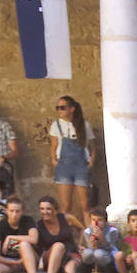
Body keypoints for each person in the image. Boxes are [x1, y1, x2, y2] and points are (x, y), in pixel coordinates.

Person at [48, 96, 95, 226]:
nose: (59, 111)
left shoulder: (84, 125)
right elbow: (53, 146)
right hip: (64, 167)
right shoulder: (56, 125)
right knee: (65, 206)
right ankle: (67, 237)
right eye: (57, 108)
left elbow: (92, 147)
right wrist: (54, 161)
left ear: (72, 109)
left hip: (81, 167)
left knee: (86, 205)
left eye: (62, 108)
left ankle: (90, 237)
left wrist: (90, 164)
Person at [34, 195, 84, 273]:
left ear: (55, 210)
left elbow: (82, 228)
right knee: (58, 246)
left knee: (72, 263)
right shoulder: (38, 225)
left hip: (70, 253)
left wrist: (80, 244)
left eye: (48, 209)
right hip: (51, 258)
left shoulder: (66, 218)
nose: (45, 212)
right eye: (42, 209)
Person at [80, 205, 126, 273]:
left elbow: (113, 247)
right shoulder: (87, 231)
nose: (96, 223)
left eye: (100, 220)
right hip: (94, 257)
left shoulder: (113, 231)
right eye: (93, 220)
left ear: (105, 221)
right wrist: (93, 244)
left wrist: (102, 240)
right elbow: (90, 248)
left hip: (109, 257)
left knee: (99, 254)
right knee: (87, 253)